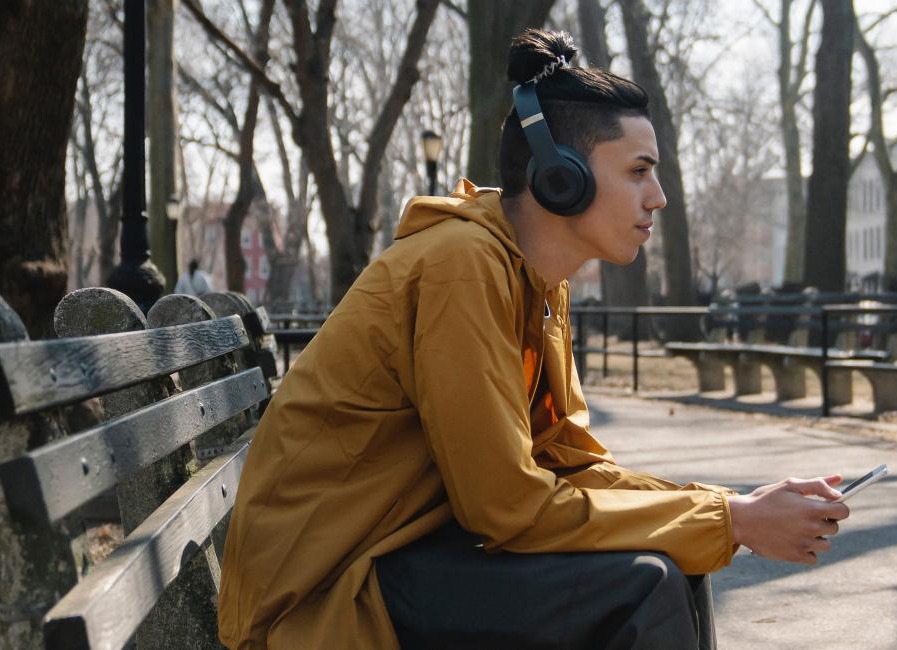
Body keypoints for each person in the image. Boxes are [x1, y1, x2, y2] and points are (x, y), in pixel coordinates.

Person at [216, 29, 850, 650]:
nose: (657, 198)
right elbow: (507, 506)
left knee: (673, 556)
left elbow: (564, 459)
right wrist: (729, 520)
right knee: (640, 587)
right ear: (560, 176)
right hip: (319, 591)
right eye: (638, 171)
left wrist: (726, 508)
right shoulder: (461, 266)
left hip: (404, 548)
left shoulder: (536, 285)